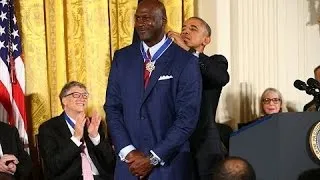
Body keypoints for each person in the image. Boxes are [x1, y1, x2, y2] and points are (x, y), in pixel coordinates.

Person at [104, 0, 202, 179]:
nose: (141, 23)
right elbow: (112, 107)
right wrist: (128, 151)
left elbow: (187, 119)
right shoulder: (122, 58)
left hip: (169, 168)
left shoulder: (186, 61)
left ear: (163, 21)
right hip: (129, 167)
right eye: (138, 18)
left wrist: (153, 158)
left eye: (147, 18)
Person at [168, 17, 229, 180]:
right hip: (175, 144)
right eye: (183, 28)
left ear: (206, 40)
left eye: (193, 28)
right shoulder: (171, 68)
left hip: (205, 145)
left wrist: (189, 53)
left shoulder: (216, 62)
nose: (185, 31)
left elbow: (221, 78)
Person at [38, 81, 115, 180]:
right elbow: (54, 166)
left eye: (84, 95)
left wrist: (95, 137)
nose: (82, 98)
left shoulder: (93, 124)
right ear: (64, 100)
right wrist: (76, 138)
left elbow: (111, 163)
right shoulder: (49, 128)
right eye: (76, 95)